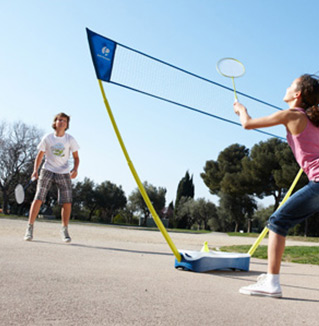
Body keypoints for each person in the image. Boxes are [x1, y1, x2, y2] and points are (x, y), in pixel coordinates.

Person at [234, 74, 319, 298]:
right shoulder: (314, 121)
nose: (287, 86)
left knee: (277, 222)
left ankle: (271, 283)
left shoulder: (291, 115)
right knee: (280, 221)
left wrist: (241, 109)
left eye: (291, 85)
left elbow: (248, 124)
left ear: (297, 94)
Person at [24, 112, 80, 243]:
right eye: (59, 120)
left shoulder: (70, 139)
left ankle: (64, 230)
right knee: (38, 197)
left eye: (64, 121)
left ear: (67, 125)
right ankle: (29, 228)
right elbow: (40, 155)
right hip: (47, 170)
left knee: (67, 201)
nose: (61, 122)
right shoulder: (47, 138)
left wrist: (75, 169)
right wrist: (35, 171)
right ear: (55, 123)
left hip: (64, 172)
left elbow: (76, 157)